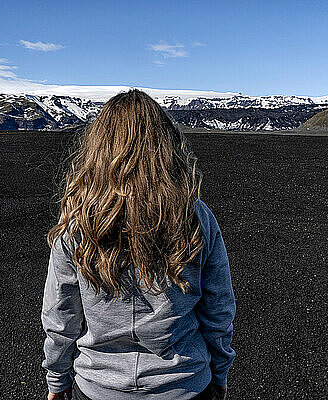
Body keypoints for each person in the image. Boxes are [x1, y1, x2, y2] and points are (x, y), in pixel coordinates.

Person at [41, 89, 236, 400]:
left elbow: (60, 314)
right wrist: (220, 371)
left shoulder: (79, 219)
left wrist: (57, 378)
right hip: (183, 385)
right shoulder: (195, 215)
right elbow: (218, 308)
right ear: (165, 145)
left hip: (98, 387)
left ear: (99, 148)